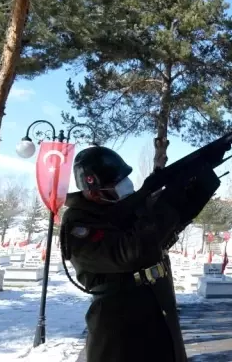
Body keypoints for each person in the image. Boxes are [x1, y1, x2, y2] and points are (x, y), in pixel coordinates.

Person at [59, 146, 189, 362]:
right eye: (116, 184)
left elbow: (158, 237)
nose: (125, 186)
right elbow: (129, 253)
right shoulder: (77, 223)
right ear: (93, 190)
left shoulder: (116, 210)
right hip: (118, 326)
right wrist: (157, 208)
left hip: (153, 312)